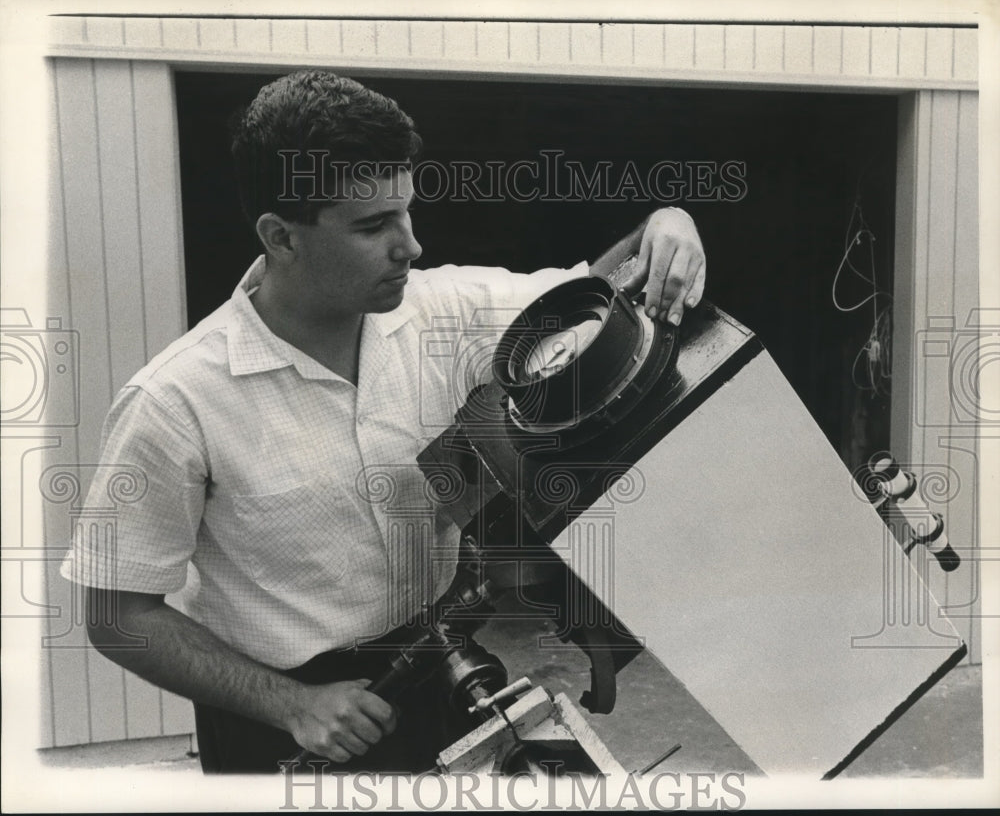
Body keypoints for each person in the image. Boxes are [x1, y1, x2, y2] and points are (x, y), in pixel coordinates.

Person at [62, 70, 706, 774]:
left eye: (404, 210)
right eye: (373, 226)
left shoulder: (442, 313)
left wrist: (664, 226)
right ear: (281, 236)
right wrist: (288, 704)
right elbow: (118, 613)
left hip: (440, 672)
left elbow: (594, 309)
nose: (411, 245)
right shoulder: (175, 400)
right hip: (280, 726)